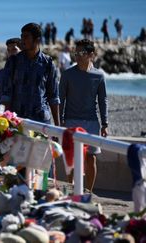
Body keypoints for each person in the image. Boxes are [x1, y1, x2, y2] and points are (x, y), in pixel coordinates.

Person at [59, 39, 108, 192]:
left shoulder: (99, 76)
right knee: (72, 158)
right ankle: (71, 189)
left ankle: (89, 192)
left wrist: (105, 123)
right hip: (71, 121)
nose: (77, 56)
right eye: (76, 53)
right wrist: (59, 121)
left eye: (81, 53)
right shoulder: (67, 74)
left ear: (91, 55)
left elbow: (103, 100)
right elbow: (60, 99)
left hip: (92, 122)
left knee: (90, 158)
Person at [0, 23, 60, 125]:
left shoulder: (48, 63)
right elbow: (6, 95)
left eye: (26, 37)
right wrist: (5, 122)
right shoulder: (13, 61)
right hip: (18, 121)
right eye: (21, 36)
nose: (22, 40)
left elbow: (53, 97)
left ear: (37, 40)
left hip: (41, 121)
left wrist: (57, 127)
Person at [0, 37, 21, 104]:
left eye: (14, 49)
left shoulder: (28, 70)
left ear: (21, 50)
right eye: (8, 50)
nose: (11, 52)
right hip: (6, 111)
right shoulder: (2, 73)